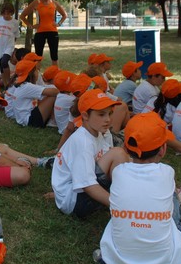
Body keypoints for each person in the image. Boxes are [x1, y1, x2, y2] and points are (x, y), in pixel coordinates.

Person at [95, 112, 181, 264]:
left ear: (126, 147)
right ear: (163, 149)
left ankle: (108, 256)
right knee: (172, 198)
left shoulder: (118, 172)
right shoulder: (167, 173)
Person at [51, 89, 130, 219]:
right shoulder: (83, 141)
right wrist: (119, 207)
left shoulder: (97, 132)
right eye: (101, 114)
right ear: (85, 116)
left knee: (120, 156)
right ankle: (125, 204)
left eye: (110, 114)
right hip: (75, 203)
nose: (108, 120)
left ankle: (128, 197)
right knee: (118, 154)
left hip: (75, 194)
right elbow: (87, 185)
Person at [19, 0, 67, 66]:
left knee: (54, 56)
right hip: (40, 32)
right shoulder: (36, 3)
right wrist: (31, 26)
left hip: (53, 32)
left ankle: (55, 75)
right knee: (38, 57)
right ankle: (37, 77)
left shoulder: (54, 3)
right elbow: (22, 16)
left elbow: (64, 15)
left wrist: (58, 24)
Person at [12, 59, 59, 128]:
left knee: (45, 95)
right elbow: (54, 92)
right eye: (36, 70)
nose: (38, 72)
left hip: (23, 119)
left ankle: (51, 119)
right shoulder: (27, 86)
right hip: (30, 121)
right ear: (31, 73)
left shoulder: (22, 84)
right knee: (52, 95)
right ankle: (52, 121)